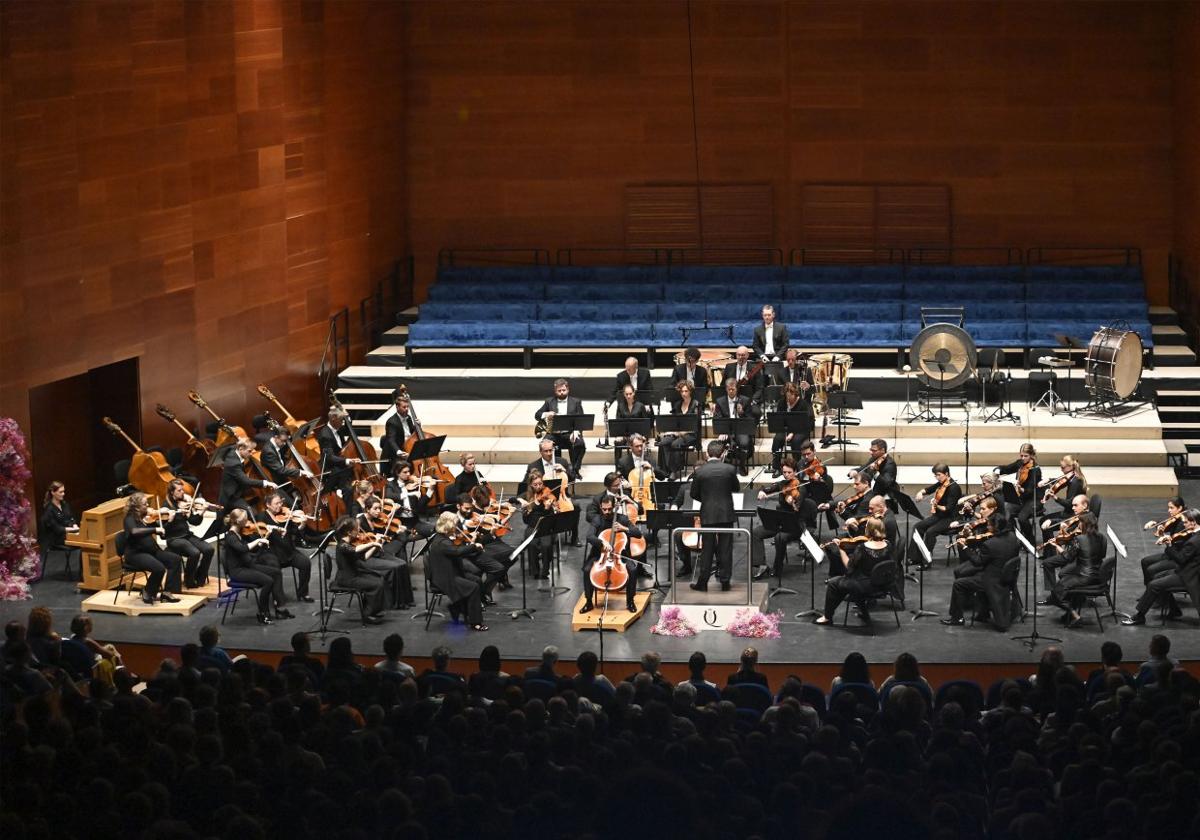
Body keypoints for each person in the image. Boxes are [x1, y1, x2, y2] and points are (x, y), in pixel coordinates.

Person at [941, 497, 1019, 630]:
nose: (987, 527)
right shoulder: (1013, 537)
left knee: (958, 584)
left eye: (989, 526)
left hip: (991, 579)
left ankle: (957, 618)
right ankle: (982, 611)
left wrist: (965, 548)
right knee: (963, 572)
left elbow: (977, 562)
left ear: (994, 527)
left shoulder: (990, 544)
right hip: (1006, 574)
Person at [1123, 508, 1200, 626]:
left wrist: (1169, 545)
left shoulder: (1194, 541)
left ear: (1193, 522)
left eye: (1185, 522)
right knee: (1156, 577)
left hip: (1188, 576)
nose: (1183, 525)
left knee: (1154, 585)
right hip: (1186, 570)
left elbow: (1180, 559)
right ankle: (1174, 609)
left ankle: (1139, 616)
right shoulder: (1195, 535)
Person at [815, 517, 891, 624]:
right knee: (849, 582)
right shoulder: (888, 545)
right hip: (883, 585)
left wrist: (841, 549)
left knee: (834, 583)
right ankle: (865, 614)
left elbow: (848, 566)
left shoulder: (862, 548)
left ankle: (827, 617)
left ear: (868, 530)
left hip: (864, 586)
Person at [223, 509, 291, 624]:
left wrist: (261, 543)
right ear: (238, 521)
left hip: (247, 565)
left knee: (276, 572)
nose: (247, 520)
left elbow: (247, 551)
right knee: (268, 581)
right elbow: (243, 549)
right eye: (245, 519)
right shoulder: (230, 537)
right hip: (238, 571)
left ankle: (279, 607)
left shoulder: (238, 533)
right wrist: (259, 540)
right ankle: (263, 613)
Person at [690, 440, 741, 592]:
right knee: (725, 548)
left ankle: (703, 582)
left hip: (707, 513)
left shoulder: (700, 471)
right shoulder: (730, 469)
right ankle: (725, 581)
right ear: (722, 454)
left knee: (707, 548)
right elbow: (736, 488)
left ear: (707, 453)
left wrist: (706, 500)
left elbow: (694, 493)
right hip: (726, 512)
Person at [752, 458, 814, 581]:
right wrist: (762, 492)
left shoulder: (801, 488)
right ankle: (762, 565)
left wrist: (793, 503)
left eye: (789, 472)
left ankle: (777, 567)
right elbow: (767, 488)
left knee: (780, 537)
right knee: (756, 532)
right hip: (780, 521)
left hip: (795, 524)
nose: (786, 475)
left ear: (795, 472)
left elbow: (798, 505)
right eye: (784, 472)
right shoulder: (781, 484)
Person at [580, 494, 642, 613]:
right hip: (600, 555)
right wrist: (602, 542)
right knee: (587, 570)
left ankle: (630, 601)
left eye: (609, 509)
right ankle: (588, 602)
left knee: (633, 570)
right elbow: (589, 536)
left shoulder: (622, 519)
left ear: (614, 507)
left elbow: (638, 533)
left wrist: (625, 529)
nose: (607, 512)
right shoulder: (597, 519)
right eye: (604, 509)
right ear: (600, 507)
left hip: (619, 555)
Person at [427, 511, 488, 631]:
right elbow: (457, 552)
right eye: (455, 525)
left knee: (475, 579)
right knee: (473, 587)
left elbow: (455, 550)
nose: (456, 527)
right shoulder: (442, 542)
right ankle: (475, 622)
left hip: (448, 572)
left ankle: (459, 607)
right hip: (444, 578)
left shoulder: (441, 538)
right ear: (448, 526)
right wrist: (474, 546)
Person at [1044, 512, 1106, 627]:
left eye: (1080, 523)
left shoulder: (1080, 539)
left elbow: (1067, 558)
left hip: (1085, 576)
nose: (1078, 525)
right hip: (1098, 574)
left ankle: (1074, 615)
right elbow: (1102, 555)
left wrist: (1056, 545)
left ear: (1085, 524)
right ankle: (1071, 610)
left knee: (1056, 592)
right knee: (1064, 576)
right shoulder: (1102, 537)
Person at [122, 493, 183, 605]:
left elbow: (162, 535)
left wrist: (168, 522)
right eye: (145, 504)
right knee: (159, 568)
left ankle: (167, 592)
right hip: (136, 554)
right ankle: (148, 591)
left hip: (151, 551)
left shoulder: (144, 518)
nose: (148, 506)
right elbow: (134, 532)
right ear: (136, 506)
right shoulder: (129, 518)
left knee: (175, 559)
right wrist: (154, 529)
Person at [356, 495, 415, 608]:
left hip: (378, 552)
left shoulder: (376, 520)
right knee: (395, 567)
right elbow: (358, 543)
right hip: (368, 556)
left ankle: (406, 600)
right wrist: (375, 542)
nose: (378, 511)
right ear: (367, 509)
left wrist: (395, 530)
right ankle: (395, 603)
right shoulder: (360, 522)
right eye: (375, 509)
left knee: (402, 564)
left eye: (379, 508)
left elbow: (387, 532)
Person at [161, 478, 216, 589]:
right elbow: (164, 532)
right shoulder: (166, 506)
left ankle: (200, 578)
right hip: (174, 539)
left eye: (183, 490)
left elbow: (194, 522)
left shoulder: (184, 504)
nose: (183, 493)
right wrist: (172, 518)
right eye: (179, 490)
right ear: (172, 492)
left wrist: (202, 511)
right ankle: (189, 580)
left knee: (209, 549)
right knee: (194, 553)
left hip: (186, 535)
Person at [332, 515, 387, 625]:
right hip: (347, 579)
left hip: (355, 575)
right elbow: (356, 550)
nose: (358, 532)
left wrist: (377, 545)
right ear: (348, 532)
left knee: (378, 579)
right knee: (376, 585)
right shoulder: (342, 545)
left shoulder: (349, 544)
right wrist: (371, 543)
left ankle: (371, 610)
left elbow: (364, 557)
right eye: (356, 529)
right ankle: (367, 614)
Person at [525, 438, 579, 545]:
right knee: (546, 511)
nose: (549, 453)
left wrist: (565, 470)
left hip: (561, 496)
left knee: (576, 506)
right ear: (540, 452)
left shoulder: (562, 461)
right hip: (543, 499)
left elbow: (573, 478)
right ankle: (544, 537)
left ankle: (574, 537)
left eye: (551, 450)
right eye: (546, 451)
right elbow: (526, 484)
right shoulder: (533, 466)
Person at [534, 378, 586, 477]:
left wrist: (576, 431)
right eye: (559, 391)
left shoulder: (576, 402)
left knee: (580, 443)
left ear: (568, 389)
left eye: (564, 390)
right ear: (555, 391)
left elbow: (581, 420)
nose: (562, 392)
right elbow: (537, 415)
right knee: (544, 444)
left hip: (569, 433)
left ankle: (575, 470)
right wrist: (546, 413)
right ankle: (550, 468)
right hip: (553, 433)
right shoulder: (549, 401)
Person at [1040, 494, 1090, 593]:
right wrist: (1052, 521)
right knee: (1049, 563)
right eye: (1072, 505)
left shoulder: (1085, 522)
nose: (1072, 508)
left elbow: (1070, 553)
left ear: (1085, 506)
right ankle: (1057, 592)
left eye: (1076, 505)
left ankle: (1055, 595)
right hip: (1072, 550)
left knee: (1047, 563)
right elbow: (1067, 522)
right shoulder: (1081, 516)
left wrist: (1058, 545)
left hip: (1077, 556)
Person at [1139, 496, 1186, 596]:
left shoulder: (1184, 523)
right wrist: (1155, 523)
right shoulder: (1177, 518)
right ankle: (1149, 593)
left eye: (1171, 508)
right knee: (1145, 561)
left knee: (1151, 570)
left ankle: (1156, 595)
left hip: (1176, 558)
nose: (1169, 510)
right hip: (1170, 553)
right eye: (1168, 507)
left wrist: (1165, 538)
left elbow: (1175, 544)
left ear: (1180, 508)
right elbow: (1167, 524)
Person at [913, 463, 962, 558]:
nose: (937, 478)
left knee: (930, 532)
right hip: (939, 516)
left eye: (939, 475)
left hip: (950, 518)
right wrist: (921, 493)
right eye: (935, 475)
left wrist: (936, 505)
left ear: (946, 473)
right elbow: (929, 489)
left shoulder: (954, 488)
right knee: (918, 526)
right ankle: (914, 557)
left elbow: (948, 509)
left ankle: (926, 559)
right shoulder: (942, 483)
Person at [712, 377, 759, 474]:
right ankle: (723, 466)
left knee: (744, 442)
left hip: (741, 430)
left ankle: (741, 465)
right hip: (727, 430)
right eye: (729, 389)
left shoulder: (745, 400)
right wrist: (722, 431)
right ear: (726, 389)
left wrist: (741, 413)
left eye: (733, 389)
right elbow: (718, 419)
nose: (731, 391)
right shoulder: (720, 401)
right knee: (719, 443)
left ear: (737, 388)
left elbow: (750, 420)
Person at [218, 437, 277, 514]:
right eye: (249, 451)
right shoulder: (234, 463)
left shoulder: (234, 451)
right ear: (241, 449)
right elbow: (246, 481)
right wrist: (266, 483)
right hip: (231, 497)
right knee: (250, 512)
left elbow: (232, 446)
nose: (251, 453)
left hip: (237, 492)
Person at [994, 443, 1041, 539]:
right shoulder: (1020, 464)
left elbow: (1030, 490)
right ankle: (1014, 536)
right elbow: (1007, 468)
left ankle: (1029, 539)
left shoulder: (1035, 470)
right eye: (1021, 455)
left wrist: (1021, 489)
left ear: (1031, 455)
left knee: (1022, 518)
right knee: (1006, 511)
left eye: (1026, 456)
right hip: (1021, 498)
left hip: (1033, 499)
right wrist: (998, 470)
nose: (1023, 458)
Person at [316, 407, 362, 502]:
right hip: (332, 469)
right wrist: (347, 460)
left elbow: (348, 429)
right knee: (348, 489)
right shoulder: (325, 435)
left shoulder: (338, 428)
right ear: (333, 418)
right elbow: (329, 457)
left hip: (340, 465)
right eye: (341, 420)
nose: (343, 423)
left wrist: (347, 417)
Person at [658, 380, 701, 479]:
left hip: (691, 434)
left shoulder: (696, 404)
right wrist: (669, 431)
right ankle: (666, 470)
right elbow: (674, 421)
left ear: (690, 391)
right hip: (678, 433)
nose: (684, 394)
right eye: (682, 391)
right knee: (664, 442)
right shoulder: (678, 404)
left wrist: (680, 433)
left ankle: (675, 470)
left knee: (675, 444)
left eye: (686, 391)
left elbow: (695, 425)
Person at [384, 459, 437, 540]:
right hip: (400, 522)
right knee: (401, 539)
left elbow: (420, 506)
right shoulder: (391, 485)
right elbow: (389, 495)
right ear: (397, 473)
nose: (408, 474)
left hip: (414, 521)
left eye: (409, 471)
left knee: (436, 531)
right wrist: (408, 494)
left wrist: (430, 491)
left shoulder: (412, 484)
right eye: (405, 472)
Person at [38, 480, 79, 582]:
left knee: (86, 543)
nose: (63, 494)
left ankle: (84, 573)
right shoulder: (49, 509)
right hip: (56, 539)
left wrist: (74, 525)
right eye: (60, 492)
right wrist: (72, 529)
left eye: (63, 491)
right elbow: (56, 529)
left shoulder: (64, 504)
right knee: (83, 543)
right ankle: (83, 575)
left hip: (67, 534)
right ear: (53, 492)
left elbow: (71, 518)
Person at [520, 471, 557, 579]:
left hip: (545, 528)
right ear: (531, 485)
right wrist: (527, 509)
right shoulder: (527, 497)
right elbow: (526, 520)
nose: (539, 486)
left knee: (546, 546)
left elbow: (552, 518)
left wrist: (547, 509)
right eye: (535, 484)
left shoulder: (548, 494)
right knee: (532, 544)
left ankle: (545, 571)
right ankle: (534, 571)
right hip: (532, 527)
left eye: (540, 483)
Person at [769, 382, 812, 474]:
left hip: (800, 429)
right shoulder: (782, 402)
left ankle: (796, 466)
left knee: (796, 441)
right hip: (786, 429)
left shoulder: (802, 404)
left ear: (795, 394)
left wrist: (792, 433)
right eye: (786, 396)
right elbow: (779, 420)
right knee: (777, 439)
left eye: (790, 396)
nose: (788, 399)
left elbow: (803, 422)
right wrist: (786, 432)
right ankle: (776, 466)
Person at [1040, 454, 1088, 529]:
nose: (1061, 469)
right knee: (1043, 520)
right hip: (1068, 512)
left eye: (1063, 467)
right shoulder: (1073, 476)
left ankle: (1051, 541)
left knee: (1045, 523)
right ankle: (1051, 540)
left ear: (1071, 466)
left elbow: (1069, 504)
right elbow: (1061, 481)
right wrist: (1049, 480)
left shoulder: (1075, 482)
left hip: (1072, 516)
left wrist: (1055, 497)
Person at [382, 388, 420, 473]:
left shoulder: (409, 418)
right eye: (404, 407)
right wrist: (399, 451)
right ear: (397, 407)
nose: (406, 409)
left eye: (407, 407)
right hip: (397, 453)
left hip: (407, 449)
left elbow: (411, 432)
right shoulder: (392, 422)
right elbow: (391, 440)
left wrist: (417, 426)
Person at [260, 425, 303, 497]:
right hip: (278, 481)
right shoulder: (268, 452)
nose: (284, 443)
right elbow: (281, 470)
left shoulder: (279, 443)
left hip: (283, 474)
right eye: (283, 441)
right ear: (276, 437)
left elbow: (287, 439)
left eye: (286, 441)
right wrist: (300, 472)